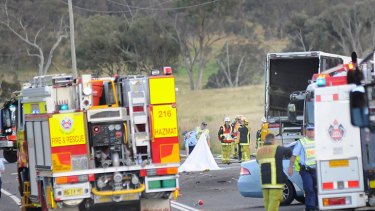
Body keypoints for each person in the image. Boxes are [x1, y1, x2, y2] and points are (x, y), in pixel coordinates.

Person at [256, 133, 291, 211]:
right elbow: (289, 152)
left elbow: (257, 161)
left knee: (267, 202)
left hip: (264, 182)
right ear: (272, 140)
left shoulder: (259, 150)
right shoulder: (277, 148)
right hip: (275, 182)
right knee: (274, 202)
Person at [288, 125, 318, 211]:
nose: (311, 132)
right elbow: (294, 155)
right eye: (309, 130)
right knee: (309, 189)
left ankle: (316, 206)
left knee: (317, 188)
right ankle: (310, 207)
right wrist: (290, 167)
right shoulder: (302, 142)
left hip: (317, 170)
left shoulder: (319, 141)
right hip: (306, 170)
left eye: (312, 130)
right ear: (306, 131)